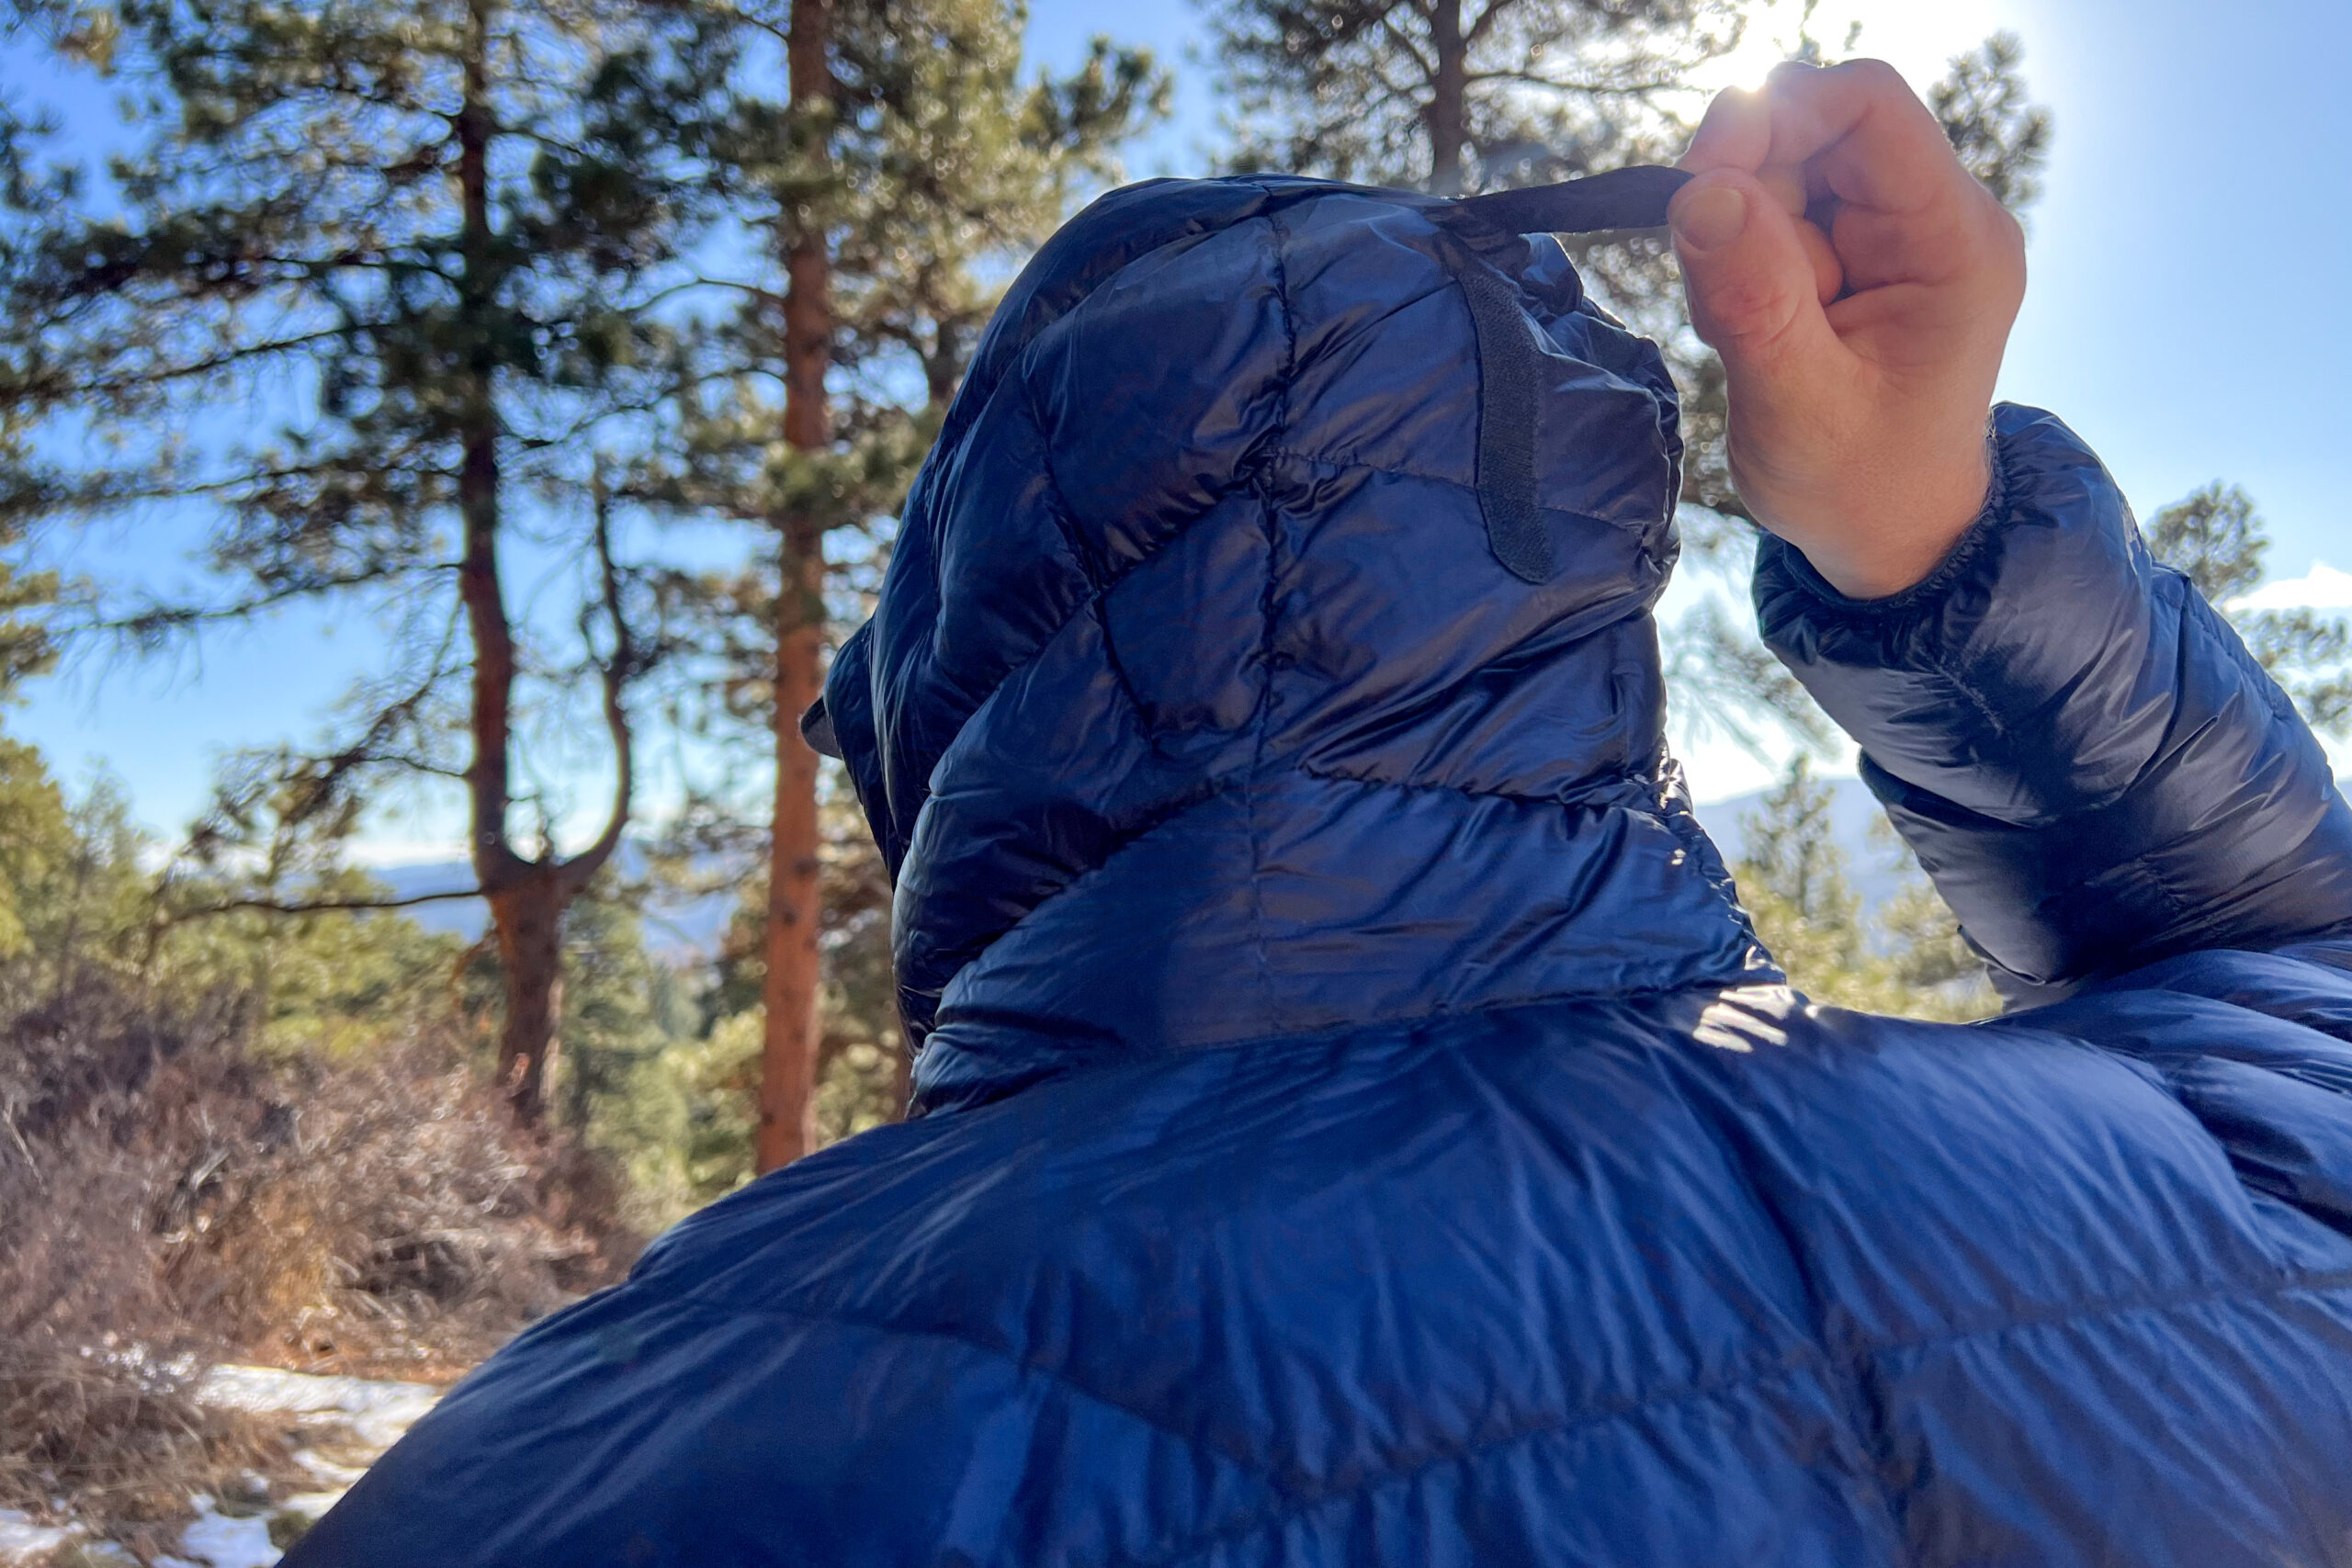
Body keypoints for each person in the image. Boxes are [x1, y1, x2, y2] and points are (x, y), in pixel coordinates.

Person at [291, 62, 2352, 1567]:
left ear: (966, 652)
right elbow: (2278, 969)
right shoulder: (2224, 1197)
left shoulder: (612, 1455)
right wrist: (1929, 546)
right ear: (1576, 548)